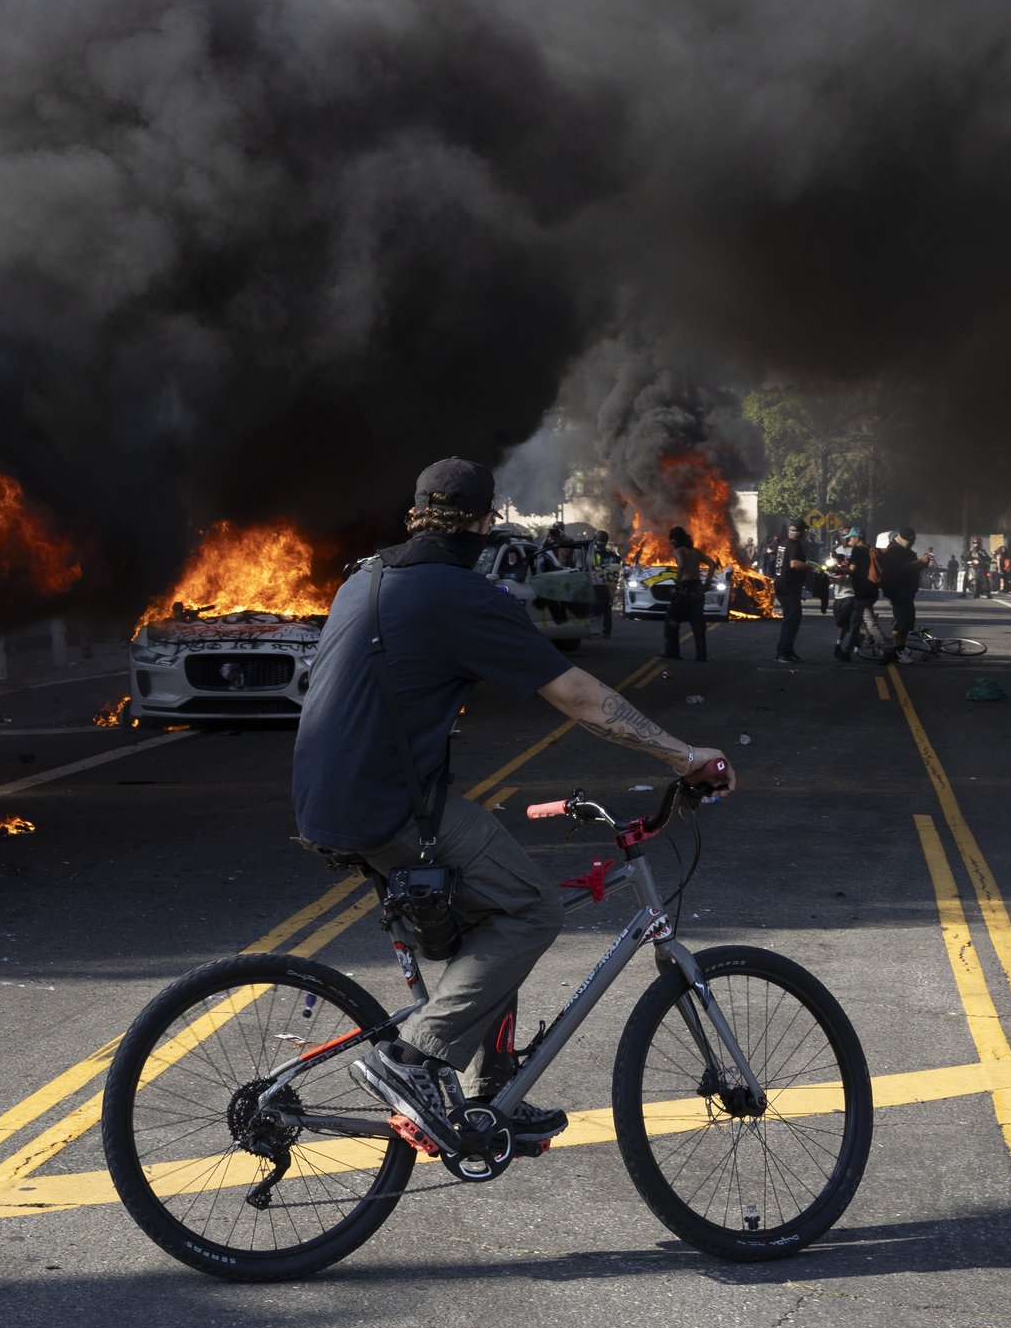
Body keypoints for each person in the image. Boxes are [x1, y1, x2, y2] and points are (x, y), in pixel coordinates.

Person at [292, 457, 734, 1153]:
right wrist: (683, 755)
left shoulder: (365, 578)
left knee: (493, 898)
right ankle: (411, 1059)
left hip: (322, 798)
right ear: (482, 521)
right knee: (533, 907)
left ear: (415, 514)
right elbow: (581, 698)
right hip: (390, 808)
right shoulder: (461, 597)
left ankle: (496, 1085)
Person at [662, 524, 710, 662]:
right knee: (697, 622)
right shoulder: (695, 552)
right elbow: (712, 564)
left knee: (672, 619)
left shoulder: (678, 551)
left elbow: (682, 564)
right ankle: (701, 655)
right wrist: (707, 582)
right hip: (697, 587)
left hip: (684, 588)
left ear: (674, 541)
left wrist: (677, 582)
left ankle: (672, 652)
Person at [875, 529, 926, 660]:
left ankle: (899, 649)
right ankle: (897, 651)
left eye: (912, 540)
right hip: (898, 591)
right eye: (909, 540)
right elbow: (902, 568)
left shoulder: (902, 551)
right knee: (902, 622)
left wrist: (921, 564)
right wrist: (920, 563)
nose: (911, 543)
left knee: (906, 622)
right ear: (900, 538)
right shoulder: (894, 552)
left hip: (906, 592)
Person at [771, 517, 815, 662]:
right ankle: (782, 653)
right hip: (788, 586)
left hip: (784, 584)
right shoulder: (794, 545)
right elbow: (795, 564)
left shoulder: (784, 543)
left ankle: (789, 651)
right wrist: (811, 567)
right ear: (801, 532)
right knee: (791, 620)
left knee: (793, 619)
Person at [834, 531, 877, 660]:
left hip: (862, 591)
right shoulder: (870, 549)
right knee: (857, 622)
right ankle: (851, 647)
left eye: (850, 538)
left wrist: (838, 570)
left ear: (857, 538)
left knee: (865, 623)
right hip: (871, 590)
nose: (848, 541)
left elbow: (852, 570)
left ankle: (886, 647)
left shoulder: (857, 550)